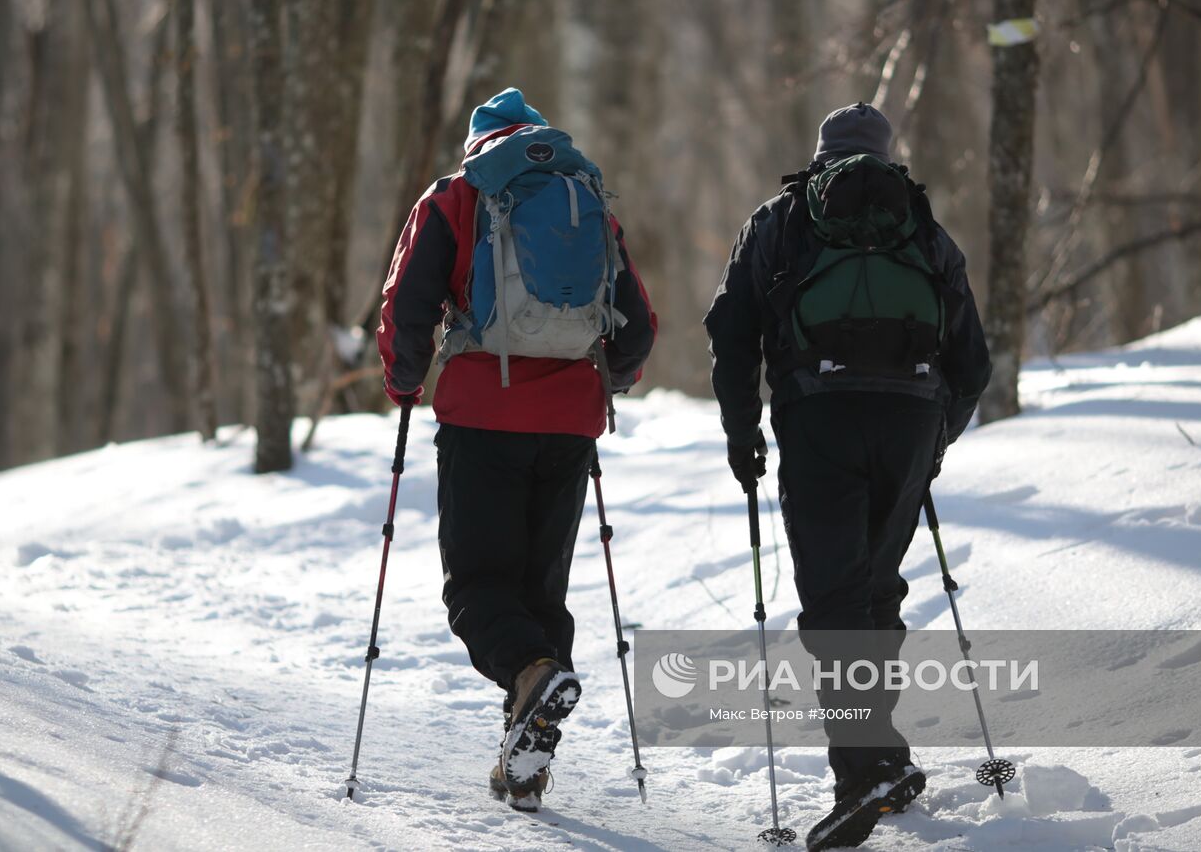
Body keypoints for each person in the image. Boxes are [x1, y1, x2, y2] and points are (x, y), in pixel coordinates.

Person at [704, 102, 991, 850]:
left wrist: (743, 431)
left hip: (820, 419)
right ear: (887, 157)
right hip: (909, 421)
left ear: (822, 155)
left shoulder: (782, 219)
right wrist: (933, 441)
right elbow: (973, 360)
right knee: (872, 590)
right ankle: (884, 756)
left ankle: (860, 776)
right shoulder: (922, 228)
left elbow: (731, 331)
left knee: (834, 602)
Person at [377, 87, 657, 812]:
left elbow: (407, 302)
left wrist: (404, 379)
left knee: (477, 588)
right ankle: (524, 761)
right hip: (569, 422)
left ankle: (532, 679)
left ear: (478, 143)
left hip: (482, 417)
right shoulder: (583, 192)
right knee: (540, 592)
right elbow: (637, 323)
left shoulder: (455, 196)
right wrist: (606, 382)